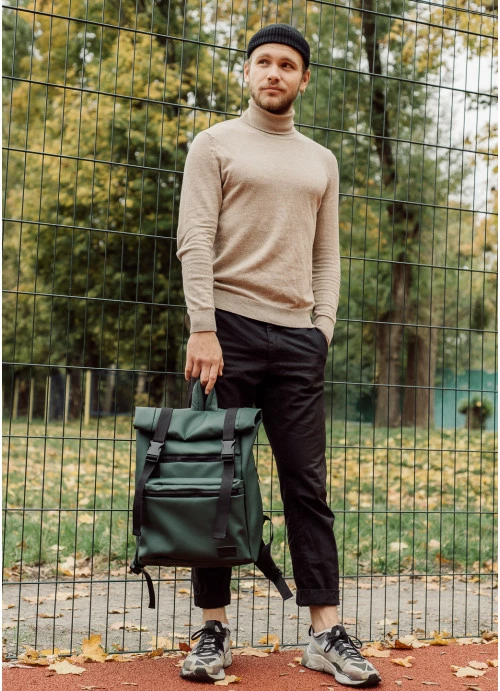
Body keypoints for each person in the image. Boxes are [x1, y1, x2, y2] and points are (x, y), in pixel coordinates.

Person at [176, 23, 381, 689]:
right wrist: (202, 326)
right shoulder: (213, 144)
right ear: (246, 72)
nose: (273, 72)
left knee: (307, 488)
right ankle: (213, 629)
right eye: (263, 61)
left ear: (303, 79)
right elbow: (195, 237)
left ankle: (325, 632)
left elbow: (327, 254)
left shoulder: (321, 160)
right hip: (225, 335)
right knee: (214, 484)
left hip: (297, 340)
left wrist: (322, 330)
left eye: (287, 64)